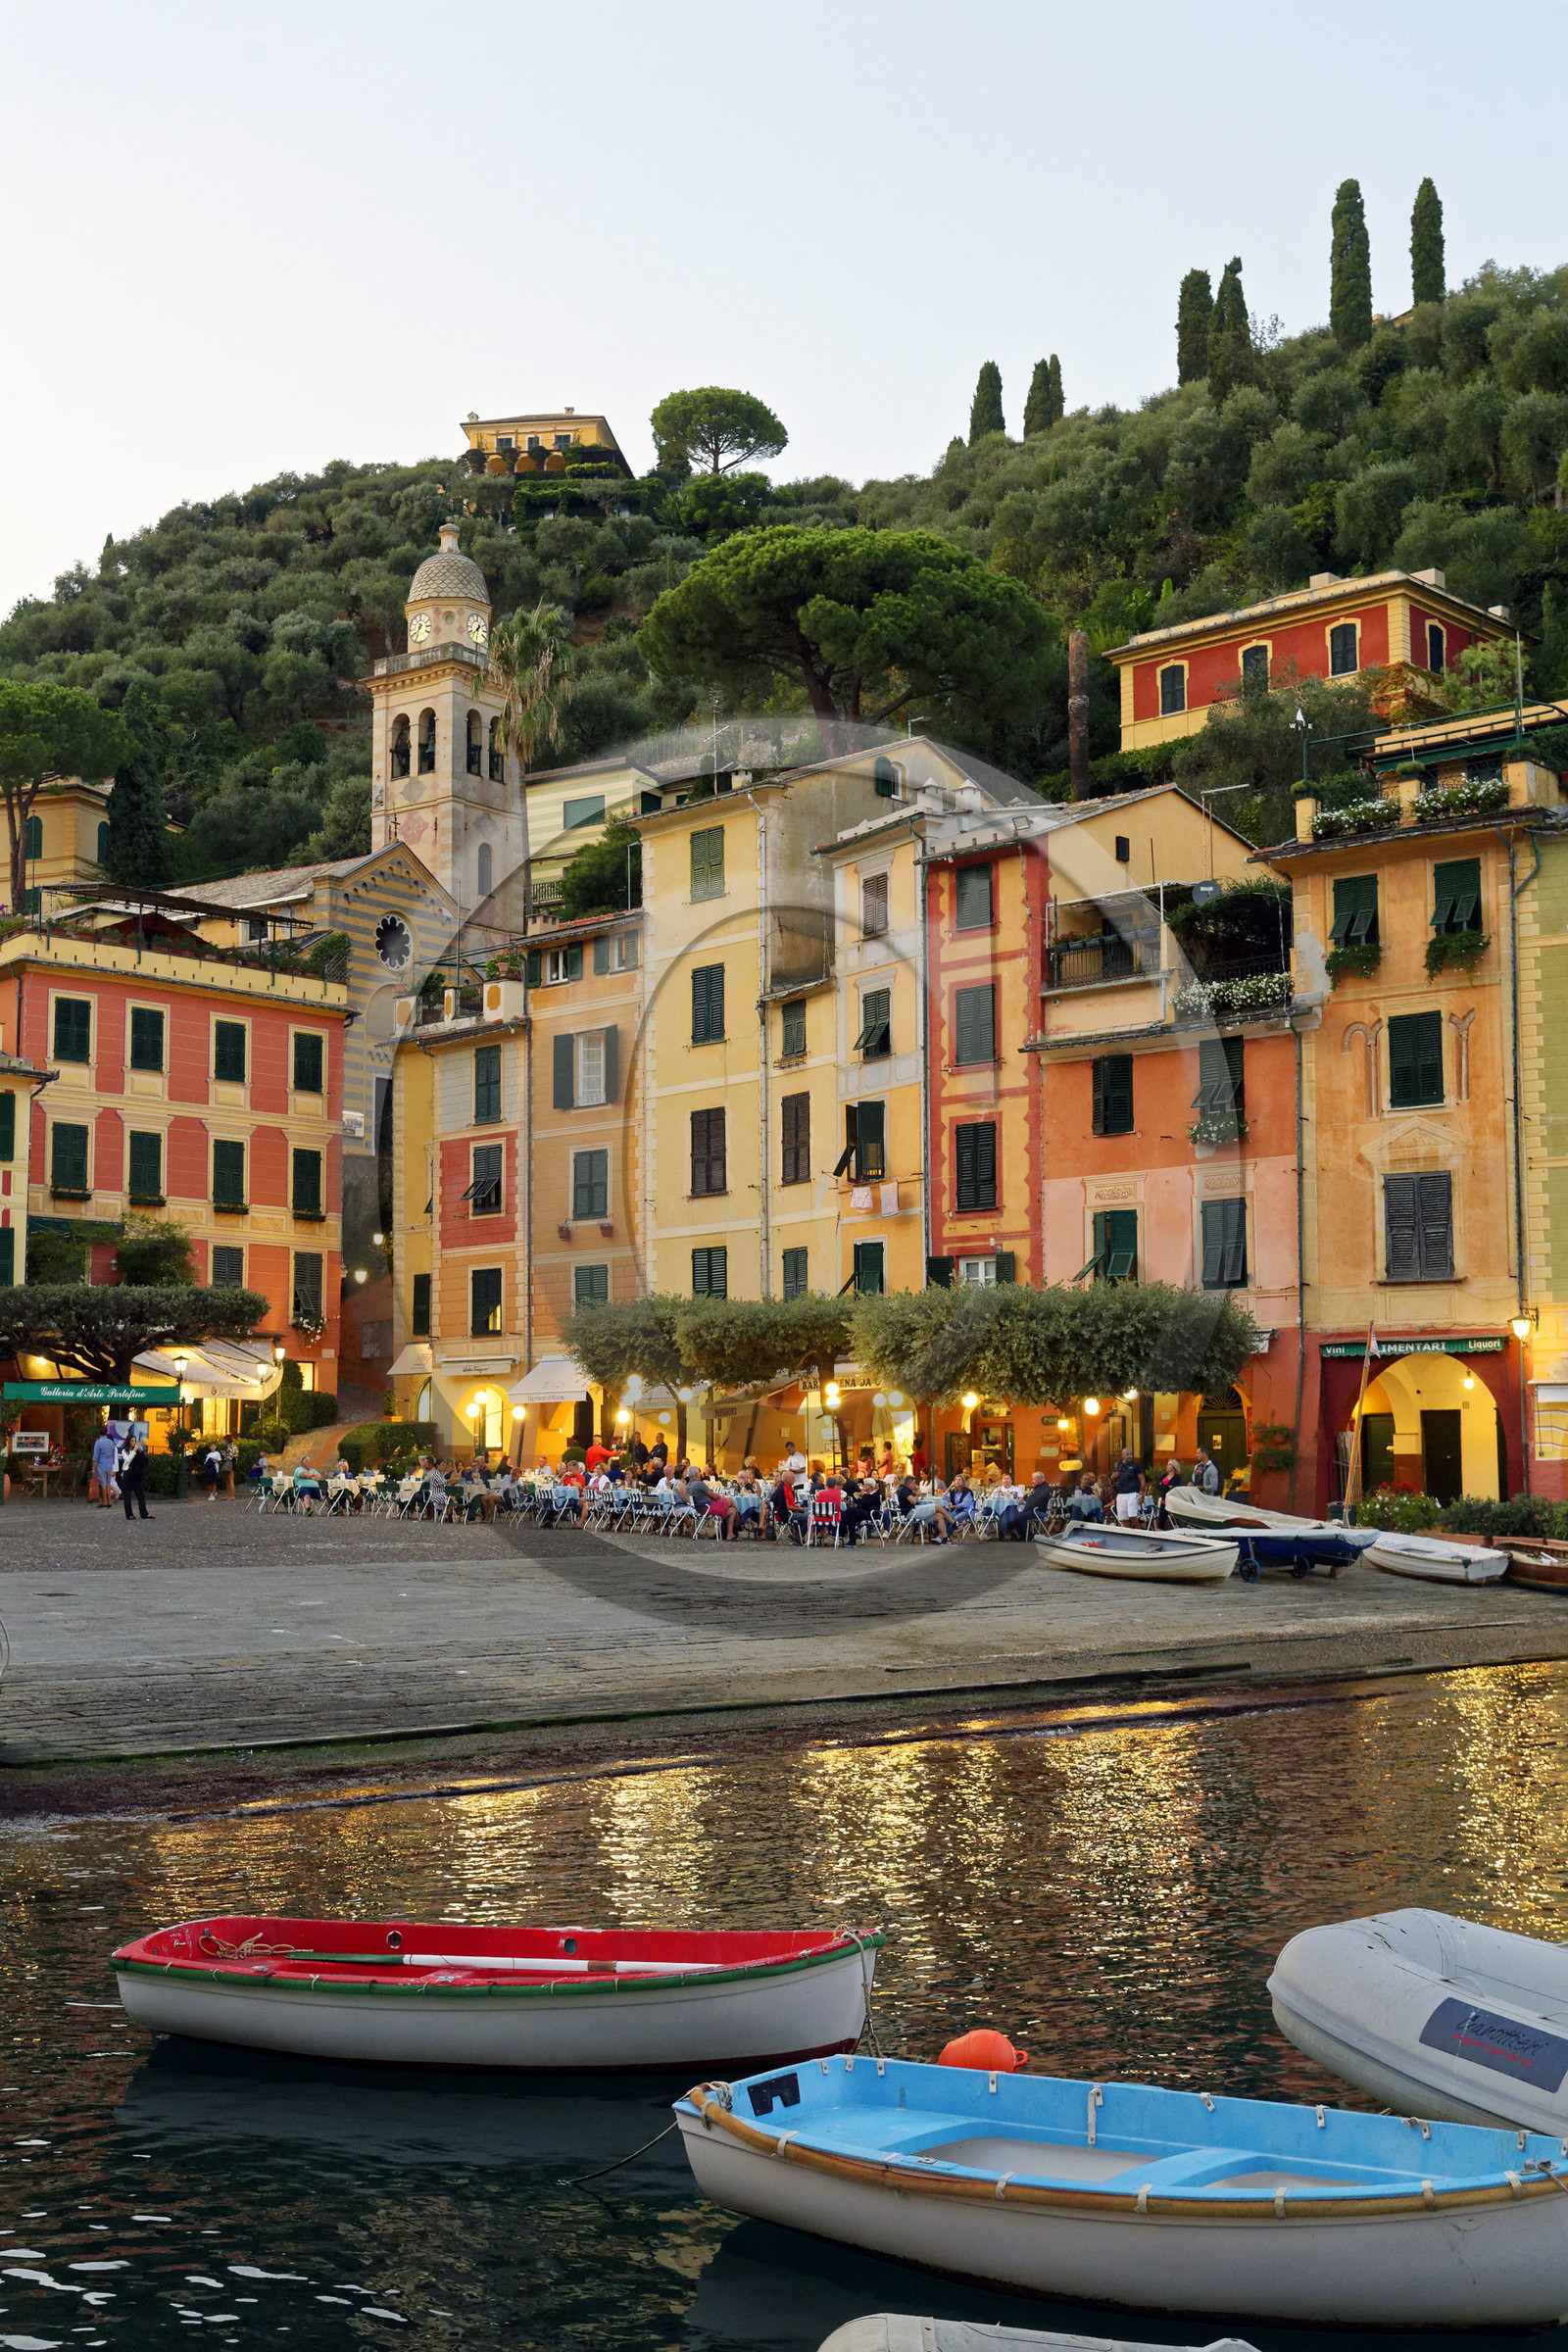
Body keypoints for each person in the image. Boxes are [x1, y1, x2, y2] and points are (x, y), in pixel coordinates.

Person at [118, 1431, 152, 1522]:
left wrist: (141, 1452)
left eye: (135, 1441)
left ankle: (144, 1513)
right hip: (128, 1475)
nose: (133, 1443)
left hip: (137, 1475)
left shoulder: (138, 1452)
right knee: (127, 1496)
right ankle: (129, 1514)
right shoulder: (125, 1451)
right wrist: (134, 1451)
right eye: (132, 1441)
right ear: (129, 1442)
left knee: (141, 1495)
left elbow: (145, 1462)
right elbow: (128, 1459)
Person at [1111, 1447, 1145, 1524]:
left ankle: (1137, 1531)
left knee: (1133, 1515)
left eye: (1131, 1454)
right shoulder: (1117, 1465)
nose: (1129, 1456)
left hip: (1132, 1492)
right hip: (1121, 1493)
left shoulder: (1135, 1465)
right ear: (1122, 1455)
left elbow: (1142, 1480)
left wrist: (1141, 1493)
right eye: (1127, 1454)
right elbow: (1113, 1479)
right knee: (1123, 1517)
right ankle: (1127, 1532)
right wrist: (1113, 1477)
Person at [90, 1425, 118, 1509]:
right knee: (108, 1483)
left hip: (101, 1465)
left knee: (102, 1484)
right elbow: (113, 1455)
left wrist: (93, 1468)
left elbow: (95, 1457)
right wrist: (111, 1463)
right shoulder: (111, 1443)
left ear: (99, 1433)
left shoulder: (98, 1443)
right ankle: (109, 1501)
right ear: (106, 1432)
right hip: (109, 1465)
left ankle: (104, 1501)